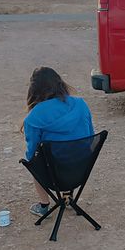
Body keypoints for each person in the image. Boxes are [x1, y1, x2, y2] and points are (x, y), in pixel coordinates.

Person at [22, 67, 94, 216]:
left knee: (36, 162)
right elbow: (90, 136)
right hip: (81, 168)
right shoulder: (81, 104)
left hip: (52, 176)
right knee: (72, 149)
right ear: (60, 83)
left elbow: (32, 154)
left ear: (34, 90)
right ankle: (68, 198)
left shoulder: (34, 117)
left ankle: (44, 205)